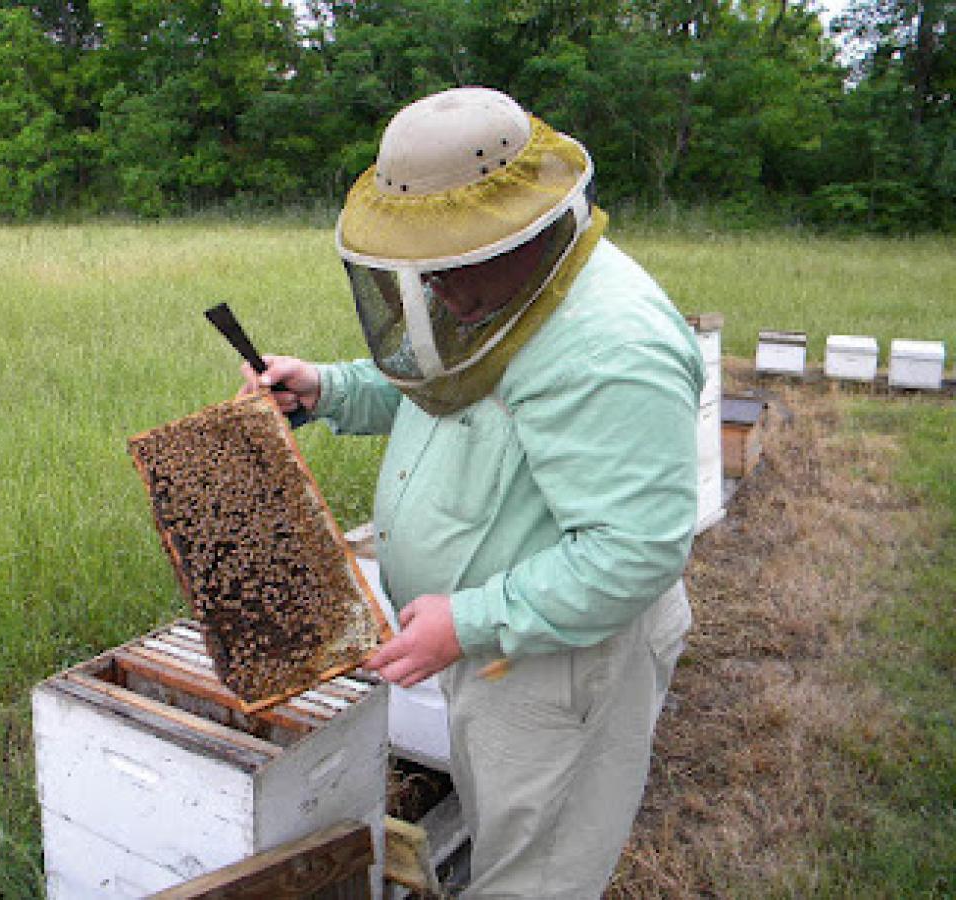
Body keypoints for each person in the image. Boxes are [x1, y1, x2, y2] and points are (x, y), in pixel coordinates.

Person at [240, 86, 703, 898]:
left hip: (563, 661)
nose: (435, 288)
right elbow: (440, 387)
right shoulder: (503, 290)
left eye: (451, 261)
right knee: (505, 834)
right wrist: (328, 388)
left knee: (534, 876)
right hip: (502, 648)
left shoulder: (612, 346)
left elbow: (638, 550)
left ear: (521, 228)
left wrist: (471, 620)